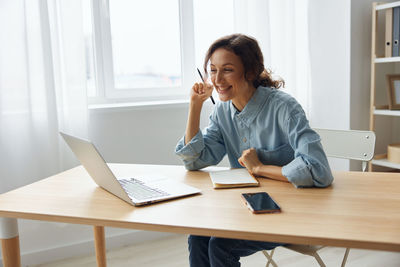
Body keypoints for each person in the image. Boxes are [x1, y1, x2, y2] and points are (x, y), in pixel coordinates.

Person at [175, 33, 333, 267]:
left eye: (227, 70)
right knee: (198, 235)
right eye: (213, 70)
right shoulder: (222, 112)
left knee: (220, 245)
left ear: (249, 71)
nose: (217, 79)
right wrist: (194, 107)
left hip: (290, 212)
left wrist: (261, 168)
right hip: (247, 208)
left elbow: (319, 170)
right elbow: (194, 160)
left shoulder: (284, 107)